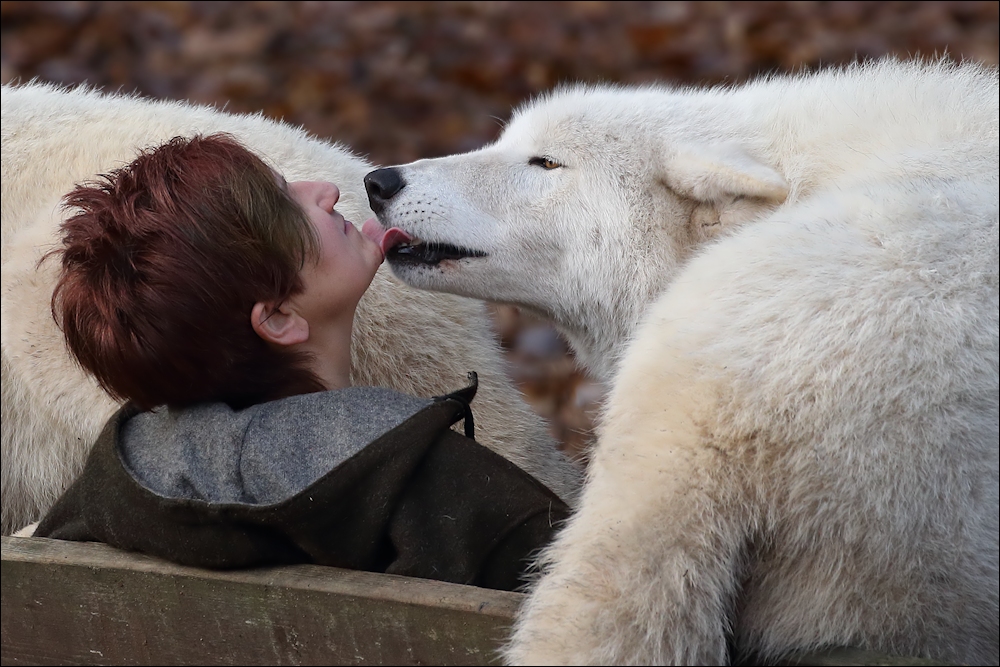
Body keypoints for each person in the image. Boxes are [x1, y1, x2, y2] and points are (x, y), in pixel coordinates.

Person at [33, 134, 568, 591]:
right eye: (289, 206)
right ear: (280, 318)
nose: (327, 189)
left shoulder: (101, 504)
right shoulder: (442, 487)